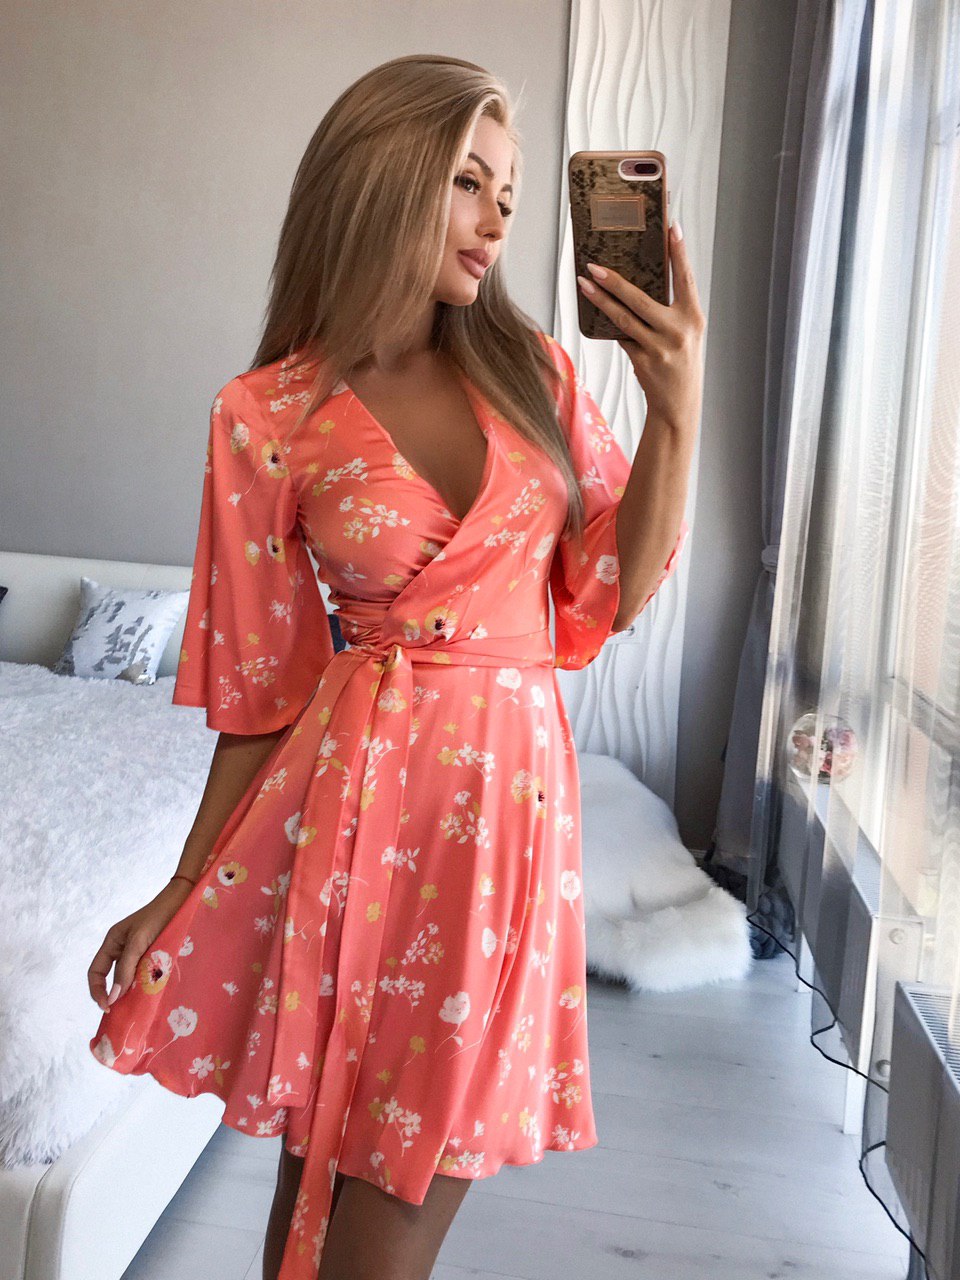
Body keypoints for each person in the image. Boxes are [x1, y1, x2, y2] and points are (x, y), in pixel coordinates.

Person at [86, 52, 702, 1280]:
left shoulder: (537, 372)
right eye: (468, 182)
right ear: (383, 179)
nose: (496, 219)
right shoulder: (266, 414)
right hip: (350, 819)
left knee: (396, 1208)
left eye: (509, 194)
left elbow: (611, 591)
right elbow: (260, 691)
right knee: (314, 1201)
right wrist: (182, 878)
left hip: (499, 833)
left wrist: (677, 407)